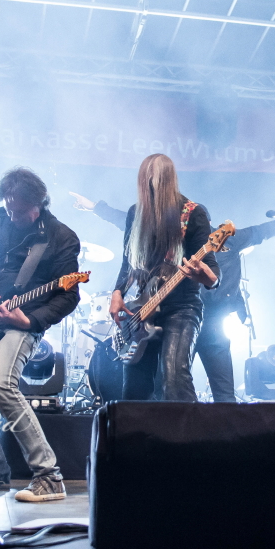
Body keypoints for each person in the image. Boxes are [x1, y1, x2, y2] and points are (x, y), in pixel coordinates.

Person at [72, 192, 275, 402]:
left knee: (219, 392)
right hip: (178, 322)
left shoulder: (224, 239)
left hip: (210, 324)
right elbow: (126, 222)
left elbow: (261, 231)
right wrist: (95, 207)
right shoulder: (173, 240)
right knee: (170, 388)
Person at [0, 167, 80, 502]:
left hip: (21, 323)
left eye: (19, 212)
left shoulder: (61, 237)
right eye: (8, 209)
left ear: (39, 205)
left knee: (1, 384)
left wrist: (29, 320)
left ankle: (49, 477)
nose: (12, 217)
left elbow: (68, 297)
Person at [108, 154, 220, 401]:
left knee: (174, 378)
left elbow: (213, 275)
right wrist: (117, 293)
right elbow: (128, 262)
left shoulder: (192, 213)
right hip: (144, 309)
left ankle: (187, 427)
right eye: (146, 184)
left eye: (154, 184)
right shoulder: (135, 213)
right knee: (134, 391)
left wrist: (205, 276)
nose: (150, 190)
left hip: (182, 308)